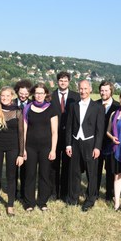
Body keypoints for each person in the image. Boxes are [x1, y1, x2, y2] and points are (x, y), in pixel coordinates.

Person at [66, 80, 105, 212]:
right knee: (74, 173)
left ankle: (90, 199)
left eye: (85, 88)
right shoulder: (73, 106)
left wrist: (97, 147)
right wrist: (68, 145)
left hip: (90, 143)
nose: (83, 91)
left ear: (90, 90)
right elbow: (69, 127)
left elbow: (100, 130)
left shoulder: (98, 107)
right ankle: (73, 198)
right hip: (75, 142)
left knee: (91, 173)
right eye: (80, 88)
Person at [0, 87, 25, 216]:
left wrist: (21, 153)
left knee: (11, 176)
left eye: (7, 96)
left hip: (13, 147)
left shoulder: (18, 111)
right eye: (2, 96)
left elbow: (21, 133)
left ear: (12, 96)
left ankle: (10, 205)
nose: (5, 98)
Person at [23, 83, 58, 211]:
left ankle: (42, 202)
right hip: (30, 147)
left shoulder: (51, 108)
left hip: (46, 148)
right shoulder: (27, 108)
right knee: (30, 174)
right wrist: (23, 149)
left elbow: (54, 132)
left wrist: (53, 149)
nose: (38, 95)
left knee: (44, 175)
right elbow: (24, 130)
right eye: (36, 93)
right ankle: (29, 203)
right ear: (33, 94)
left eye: (41, 93)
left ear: (45, 94)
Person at [50, 71, 80, 201]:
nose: (63, 83)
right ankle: (53, 192)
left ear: (69, 82)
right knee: (53, 165)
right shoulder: (50, 96)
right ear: (58, 82)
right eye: (61, 80)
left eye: (65, 80)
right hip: (54, 135)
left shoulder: (75, 97)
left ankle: (65, 193)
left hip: (69, 136)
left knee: (68, 165)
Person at [96, 81, 120, 202]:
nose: (103, 92)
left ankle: (109, 195)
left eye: (106, 90)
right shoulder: (94, 104)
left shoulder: (118, 106)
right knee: (95, 169)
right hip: (96, 143)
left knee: (110, 170)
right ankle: (94, 193)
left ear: (111, 91)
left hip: (111, 143)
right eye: (102, 90)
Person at [13, 79, 33, 199]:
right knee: (13, 168)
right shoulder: (11, 103)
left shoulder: (33, 104)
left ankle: (25, 192)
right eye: (21, 93)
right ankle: (14, 192)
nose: (23, 96)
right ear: (17, 92)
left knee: (26, 168)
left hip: (28, 140)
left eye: (26, 93)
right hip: (13, 140)